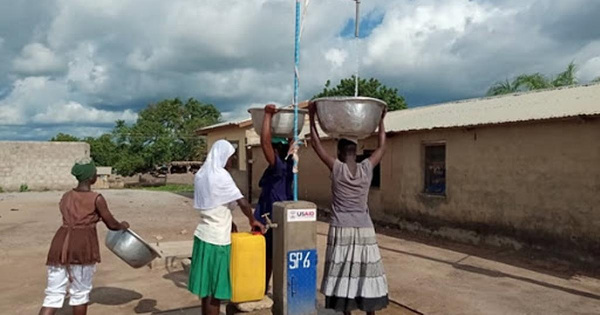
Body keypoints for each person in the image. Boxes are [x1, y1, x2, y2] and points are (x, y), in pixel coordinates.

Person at [309, 102, 389, 315]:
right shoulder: (366, 168)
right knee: (365, 270)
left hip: (341, 228)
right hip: (365, 229)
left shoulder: (337, 168)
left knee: (343, 271)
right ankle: (370, 311)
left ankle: (346, 311)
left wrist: (311, 116)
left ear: (340, 151)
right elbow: (381, 147)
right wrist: (381, 119)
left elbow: (315, 144)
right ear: (355, 150)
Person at [39, 158, 130, 315]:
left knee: (53, 295)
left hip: (59, 245)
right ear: (90, 177)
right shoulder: (97, 198)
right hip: (81, 246)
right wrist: (123, 225)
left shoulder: (66, 196)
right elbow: (112, 225)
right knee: (80, 293)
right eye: (95, 172)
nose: (96, 175)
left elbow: (75, 215)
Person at [189, 139, 265, 315]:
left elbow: (213, 204)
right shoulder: (221, 175)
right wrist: (253, 220)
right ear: (223, 156)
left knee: (206, 290)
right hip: (217, 242)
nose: (232, 161)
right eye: (231, 157)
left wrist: (230, 222)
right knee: (215, 292)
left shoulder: (202, 174)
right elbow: (242, 202)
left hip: (203, 236)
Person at [253, 104, 294, 293]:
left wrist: (268, 116)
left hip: (272, 217)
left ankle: (264, 288)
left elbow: (264, 143)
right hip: (268, 214)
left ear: (277, 150)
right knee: (267, 255)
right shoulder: (286, 164)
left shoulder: (279, 166)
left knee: (268, 255)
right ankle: (263, 287)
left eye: (274, 149)